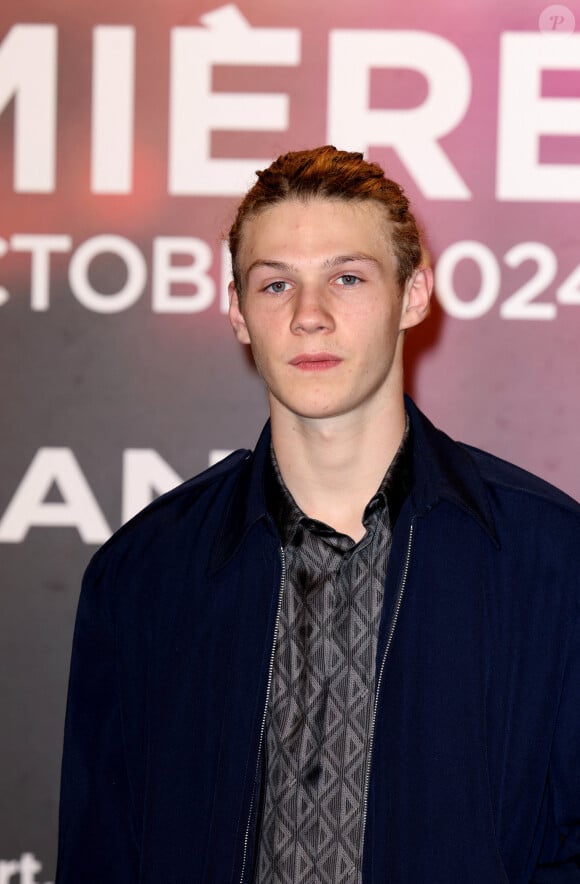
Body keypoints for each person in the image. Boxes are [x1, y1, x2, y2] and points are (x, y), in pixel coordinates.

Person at [56, 146, 580, 883]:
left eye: (347, 277)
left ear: (415, 293)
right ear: (238, 313)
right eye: (276, 284)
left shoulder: (552, 564)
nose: (310, 316)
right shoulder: (142, 576)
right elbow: (101, 857)